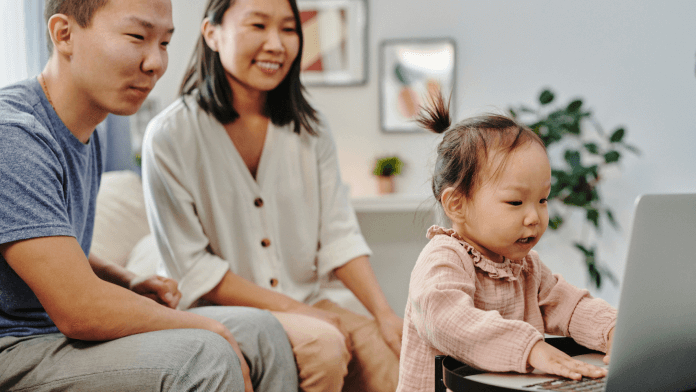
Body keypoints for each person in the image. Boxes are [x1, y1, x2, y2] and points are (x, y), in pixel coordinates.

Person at [0, 0, 297, 391]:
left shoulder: (84, 127)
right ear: (64, 34)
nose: (155, 63)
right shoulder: (15, 135)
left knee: (261, 330)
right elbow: (80, 309)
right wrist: (203, 324)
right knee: (203, 355)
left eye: (165, 43)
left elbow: (48, 239)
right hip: (15, 346)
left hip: (52, 336)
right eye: (138, 37)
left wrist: (126, 279)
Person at [141, 0, 402, 390]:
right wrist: (298, 312)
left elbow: (338, 235)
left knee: (394, 352)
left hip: (305, 299)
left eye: (289, 29)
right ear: (212, 34)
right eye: (258, 26)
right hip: (222, 311)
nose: (276, 44)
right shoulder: (169, 136)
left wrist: (385, 314)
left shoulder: (310, 128)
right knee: (324, 346)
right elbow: (193, 268)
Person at [396, 95, 618, 391]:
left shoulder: (526, 268)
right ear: (457, 204)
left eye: (542, 199)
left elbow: (572, 307)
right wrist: (530, 349)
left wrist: (613, 329)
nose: (534, 217)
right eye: (516, 201)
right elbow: (447, 320)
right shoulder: (444, 257)